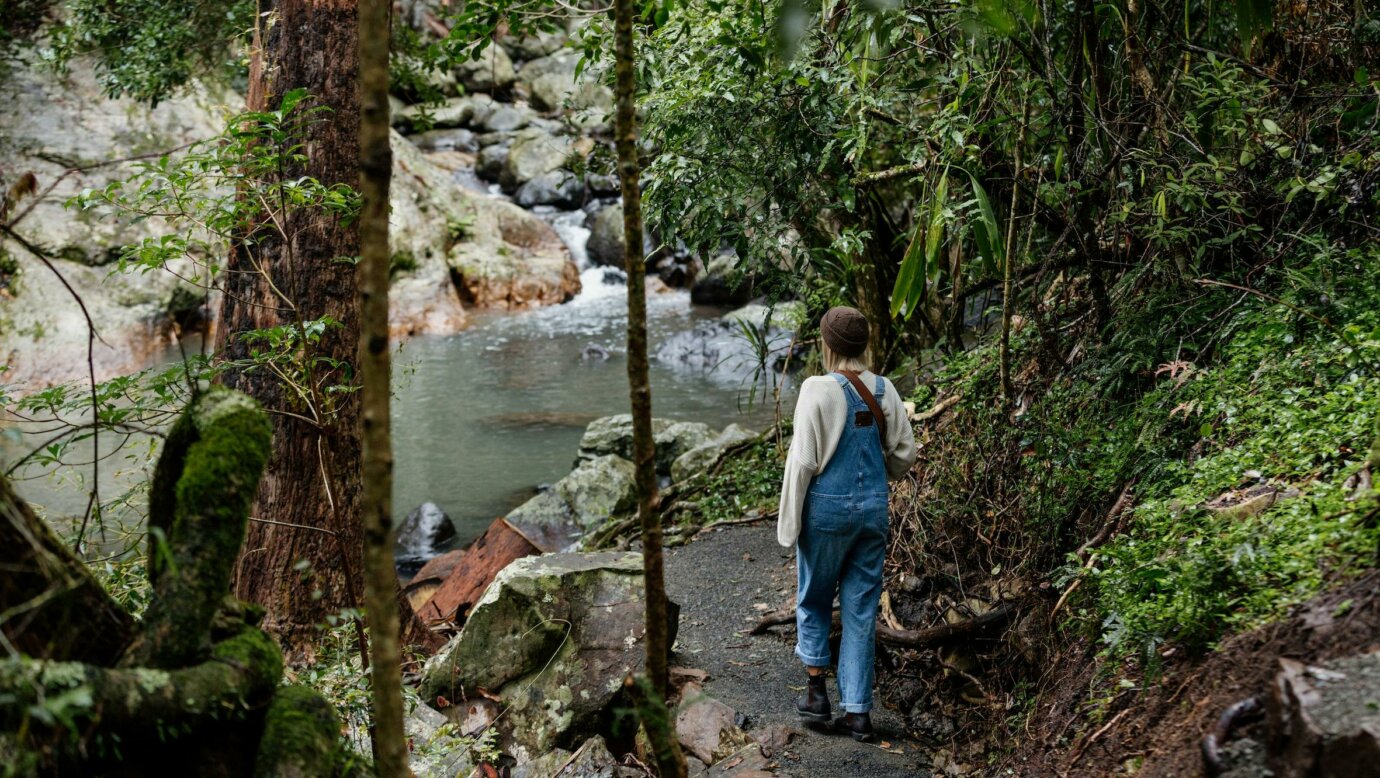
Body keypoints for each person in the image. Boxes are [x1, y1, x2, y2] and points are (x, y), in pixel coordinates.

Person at [777, 306, 918, 742]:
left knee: (815, 595)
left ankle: (817, 693)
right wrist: (882, 478)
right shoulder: (885, 388)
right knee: (861, 608)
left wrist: (789, 523)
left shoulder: (815, 389)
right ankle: (858, 712)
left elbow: (803, 462)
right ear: (863, 345)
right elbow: (904, 453)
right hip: (873, 510)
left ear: (828, 344)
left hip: (826, 510)